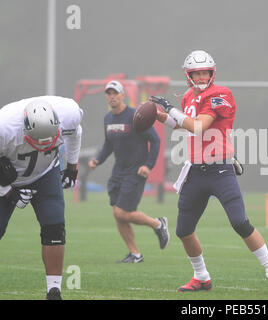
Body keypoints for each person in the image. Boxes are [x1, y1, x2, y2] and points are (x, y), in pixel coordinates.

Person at [150, 50, 268, 295]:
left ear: (212, 72)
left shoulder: (220, 94)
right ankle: (201, 276)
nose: (202, 76)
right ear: (188, 75)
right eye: (197, 72)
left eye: (205, 72)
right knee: (184, 230)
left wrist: (171, 110)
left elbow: (198, 126)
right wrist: (162, 117)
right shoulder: (187, 97)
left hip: (220, 169)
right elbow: (183, 124)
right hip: (196, 171)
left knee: (240, 222)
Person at [0, 96, 83, 300]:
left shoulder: (69, 115)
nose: (43, 146)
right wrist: (8, 192)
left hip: (45, 173)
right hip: (8, 179)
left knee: (55, 227)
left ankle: (53, 291)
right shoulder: (5, 128)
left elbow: (76, 133)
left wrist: (72, 166)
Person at [88, 80, 169, 263]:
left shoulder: (136, 116)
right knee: (118, 213)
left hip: (136, 171)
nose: (112, 96)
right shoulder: (107, 119)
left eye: (115, 93)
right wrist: (98, 160)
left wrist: (148, 165)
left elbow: (155, 141)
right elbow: (108, 143)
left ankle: (157, 223)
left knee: (121, 212)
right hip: (118, 172)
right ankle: (135, 254)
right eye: (108, 93)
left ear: (123, 95)